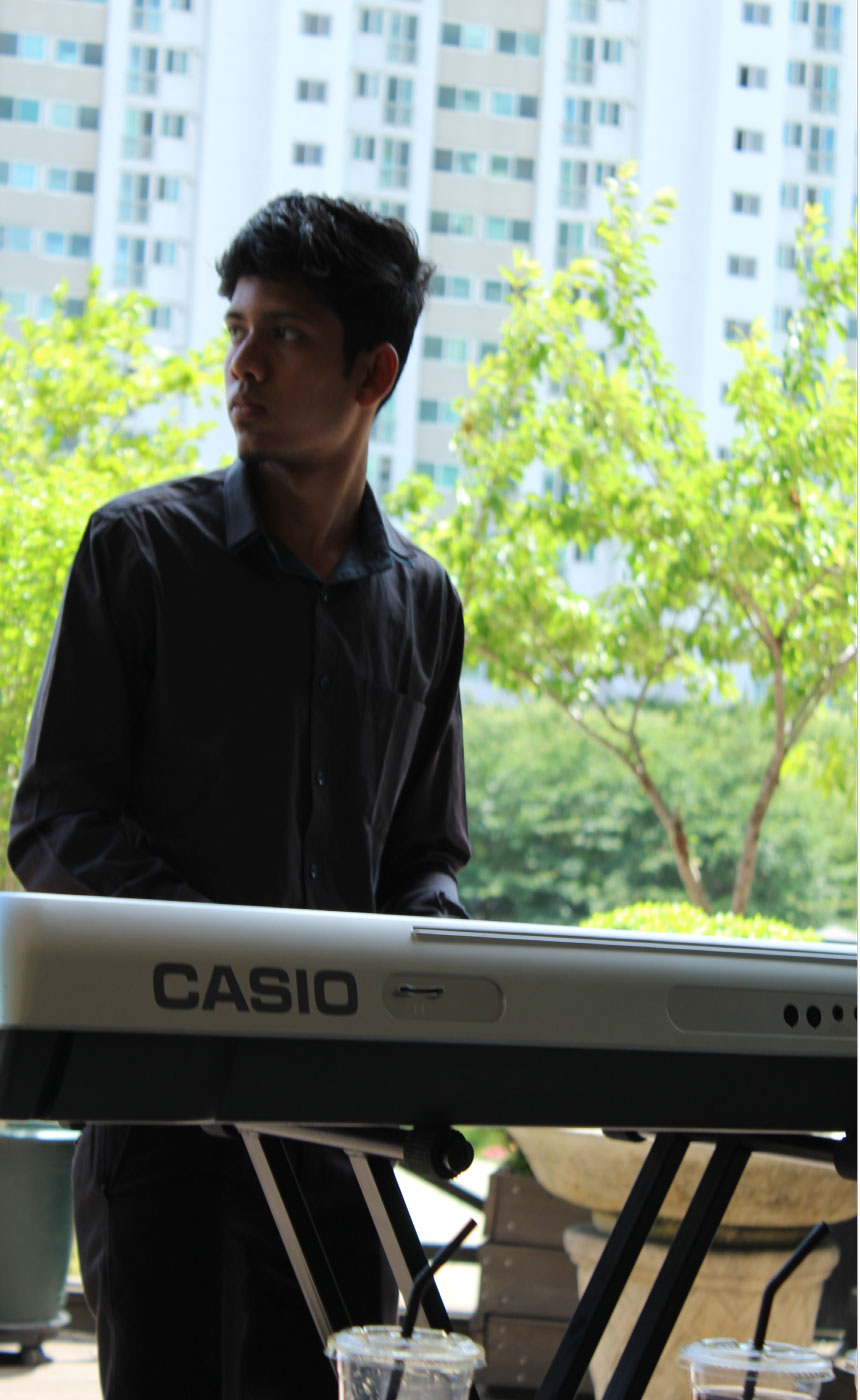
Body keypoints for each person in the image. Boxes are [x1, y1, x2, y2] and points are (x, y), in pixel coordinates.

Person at [8, 193, 471, 1399]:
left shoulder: (425, 603)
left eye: (286, 334)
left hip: (346, 1142)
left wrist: (440, 959)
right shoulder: (136, 552)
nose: (243, 363)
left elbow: (424, 854)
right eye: (238, 328)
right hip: (169, 1128)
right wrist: (234, 968)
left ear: (372, 372)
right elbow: (54, 823)